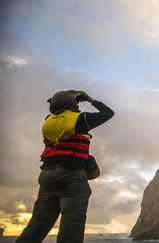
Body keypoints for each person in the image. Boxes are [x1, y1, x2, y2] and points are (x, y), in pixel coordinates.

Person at [16, 90, 114, 243]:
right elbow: (108, 113)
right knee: (70, 233)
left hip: (47, 177)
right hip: (72, 178)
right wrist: (89, 99)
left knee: (36, 228)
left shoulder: (48, 120)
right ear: (73, 104)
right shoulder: (80, 119)